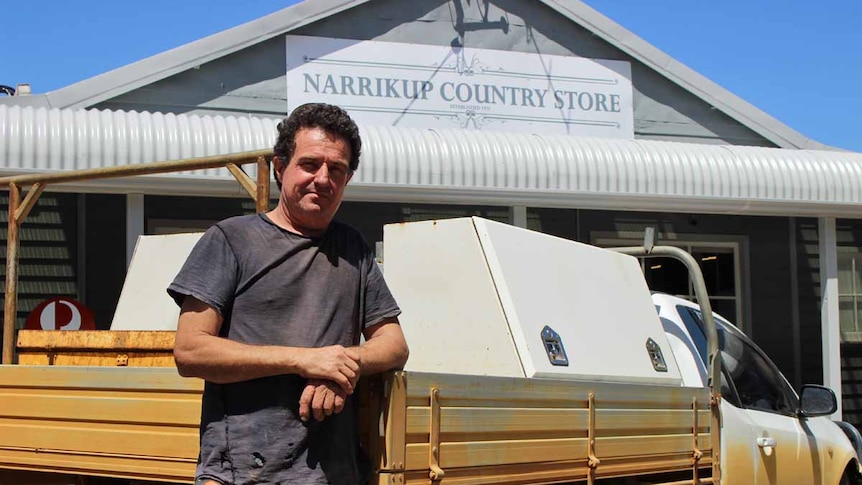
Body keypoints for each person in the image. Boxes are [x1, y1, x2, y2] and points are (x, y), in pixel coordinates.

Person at [170, 103, 409, 485]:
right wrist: (305, 361)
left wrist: (341, 367)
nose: (323, 178)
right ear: (280, 167)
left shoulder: (353, 248)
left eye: (337, 169)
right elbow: (190, 350)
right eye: (310, 164)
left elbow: (394, 344)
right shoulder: (231, 240)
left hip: (333, 474)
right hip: (242, 475)